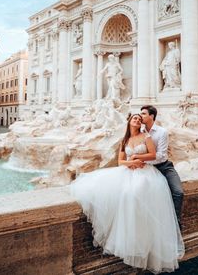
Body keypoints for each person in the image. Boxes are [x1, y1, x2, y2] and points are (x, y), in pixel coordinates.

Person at [70, 114, 184, 273]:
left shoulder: (146, 136)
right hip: (129, 170)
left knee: (135, 193)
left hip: (146, 172)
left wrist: (138, 157)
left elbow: (152, 154)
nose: (137, 120)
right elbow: (120, 161)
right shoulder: (125, 140)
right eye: (134, 119)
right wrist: (131, 162)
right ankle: (131, 242)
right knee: (121, 193)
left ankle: (145, 244)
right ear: (130, 122)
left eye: (139, 119)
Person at [140, 105, 184, 228]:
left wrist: (141, 159)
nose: (141, 116)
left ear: (152, 116)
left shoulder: (162, 132)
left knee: (178, 192)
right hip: (145, 169)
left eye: (144, 113)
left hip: (164, 167)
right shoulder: (139, 131)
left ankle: (175, 223)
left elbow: (161, 155)